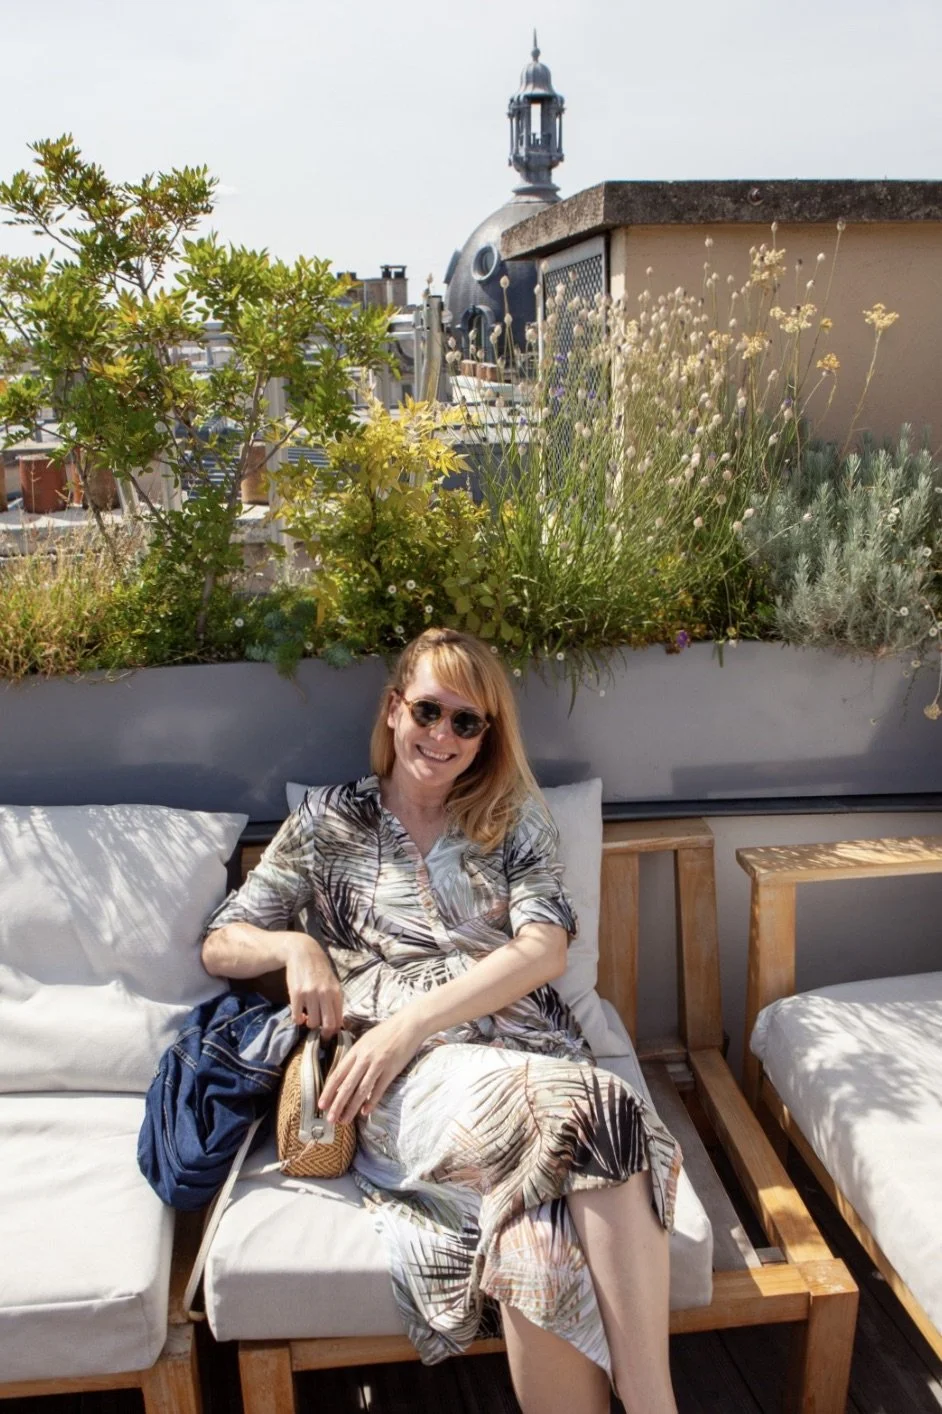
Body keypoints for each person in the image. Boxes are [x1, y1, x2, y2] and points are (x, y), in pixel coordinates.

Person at [201, 627, 681, 1414]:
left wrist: (412, 1019)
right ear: (394, 710)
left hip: (523, 1054)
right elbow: (223, 942)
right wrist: (296, 949)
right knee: (604, 1107)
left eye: (468, 722)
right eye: (429, 710)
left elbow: (544, 949)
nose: (444, 736)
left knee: (540, 1253)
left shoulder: (511, 816)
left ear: (487, 737)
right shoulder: (331, 821)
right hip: (399, 1084)